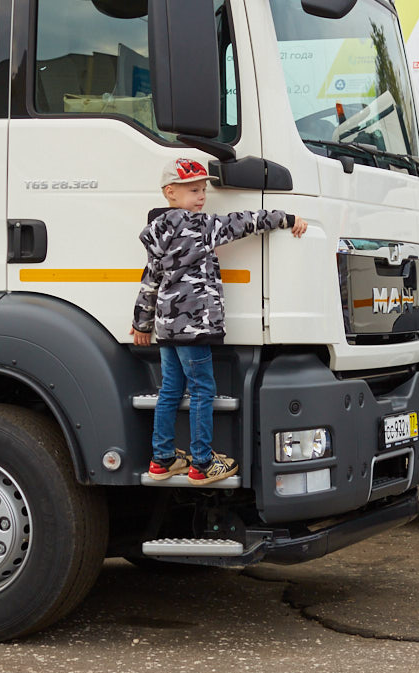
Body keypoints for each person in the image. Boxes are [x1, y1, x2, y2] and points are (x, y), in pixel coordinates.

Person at [131, 157, 307, 484]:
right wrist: (287, 218)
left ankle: (163, 459)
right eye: (193, 190)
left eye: (203, 190)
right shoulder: (199, 226)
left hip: (168, 327)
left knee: (170, 389)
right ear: (171, 192)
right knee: (201, 389)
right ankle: (201, 463)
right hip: (195, 325)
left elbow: (150, 280)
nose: (201, 196)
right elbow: (242, 222)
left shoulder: (157, 233)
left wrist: (142, 324)